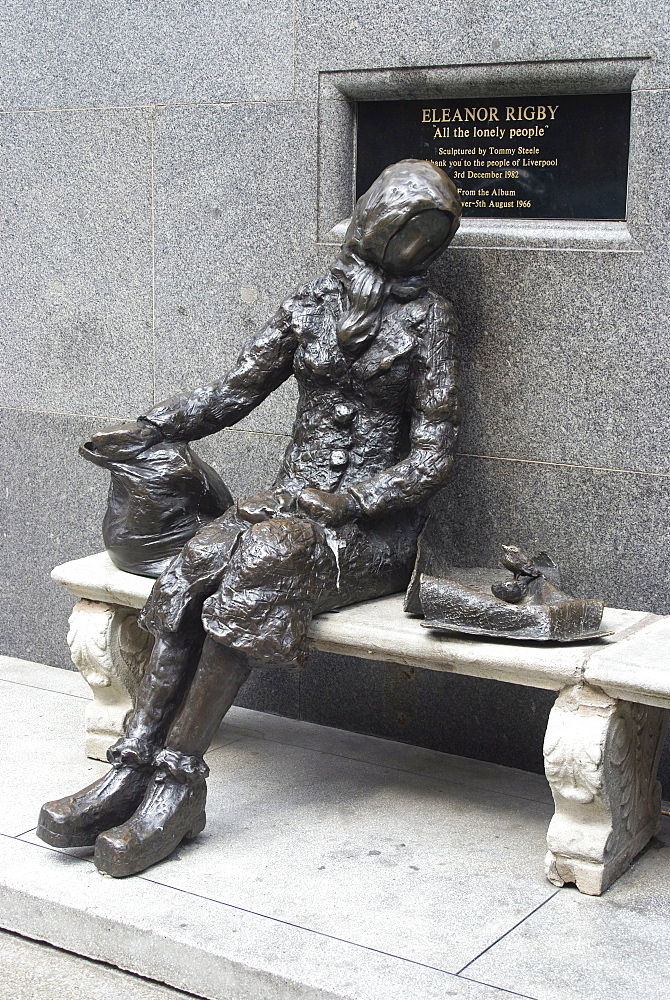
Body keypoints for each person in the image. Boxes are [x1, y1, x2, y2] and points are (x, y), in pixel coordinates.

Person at [38, 159, 462, 877]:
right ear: (369, 222)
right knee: (201, 558)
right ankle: (130, 767)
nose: (410, 246)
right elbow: (230, 393)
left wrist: (353, 499)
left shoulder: (433, 323)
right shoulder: (310, 306)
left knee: (263, 558)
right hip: (287, 509)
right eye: (400, 228)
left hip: (372, 535)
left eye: (426, 236)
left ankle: (178, 785)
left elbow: (434, 456)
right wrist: (147, 429)